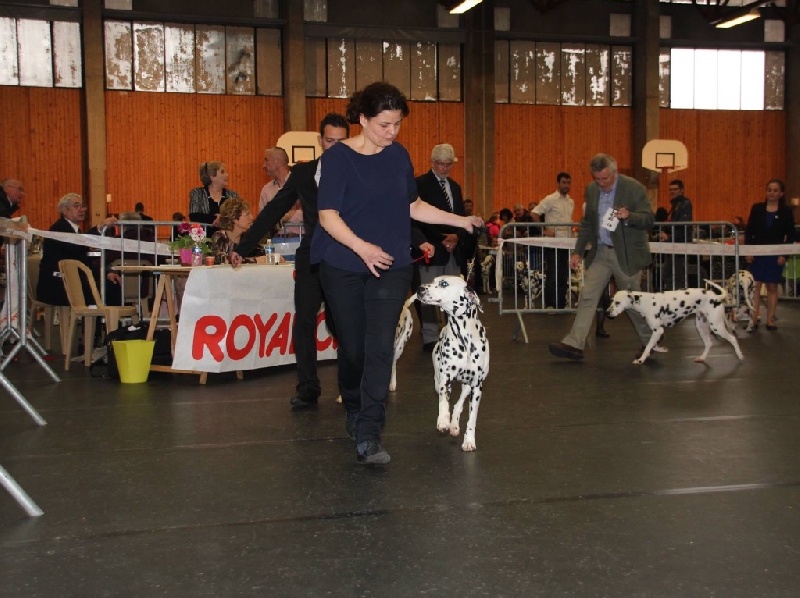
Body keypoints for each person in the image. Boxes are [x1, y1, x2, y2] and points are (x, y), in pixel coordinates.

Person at [311, 82, 482, 465]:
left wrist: (461, 220)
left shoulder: (398, 155)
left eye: (397, 124)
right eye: (384, 125)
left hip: (390, 265)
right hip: (343, 264)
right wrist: (362, 247)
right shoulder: (338, 158)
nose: (392, 132)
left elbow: (413, 206)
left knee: (380, 346)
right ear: (362, 118)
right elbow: (327, 216)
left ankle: (370, 433)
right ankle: (353, 404)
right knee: (353, 348)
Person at [232, 113, 350, 410]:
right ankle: (308, 387)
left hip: (345, 257)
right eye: (330, 140)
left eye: (341, 141)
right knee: (304, 320)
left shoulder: (357, 173)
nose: (335, 147)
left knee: (342, 323)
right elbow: (273, 210)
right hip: (311, 256)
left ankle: (351, 384)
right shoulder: (303, 173)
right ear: (320, 140)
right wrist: (244, 247)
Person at [548, 153, 657, 362]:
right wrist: (578, 251)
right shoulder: (592, 190)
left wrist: (630, 216)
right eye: (597, 179)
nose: (601, 183)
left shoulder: (633, 188)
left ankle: (651, 339)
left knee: (632, 301)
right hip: (600, 252)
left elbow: (649, 219)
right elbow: (588, 223)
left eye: (605, 178)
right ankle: (574, 343)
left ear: (615, 173)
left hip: (626, 254)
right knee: (587, 295)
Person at [412, 143, 468, 351]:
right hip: (431, 247)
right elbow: (418, 219)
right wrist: (441, 238)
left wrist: (457, 236)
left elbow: (460, 216)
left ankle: (454, 333)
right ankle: (430, 336)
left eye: (448, 164)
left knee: (453, 294)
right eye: (441, 164)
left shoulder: (455, 187)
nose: (445, 168)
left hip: (453, 249)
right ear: (432, 162)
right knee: (429, 294)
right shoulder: (420, 184)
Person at [37, 193, 120, 307]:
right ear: (64, 210)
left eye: (83, 206)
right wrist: (99, 227)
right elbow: (77, 247)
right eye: (76, 206)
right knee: (109, 289)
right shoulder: (59, 228)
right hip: (58, 284)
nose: (82, 209)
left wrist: (106, 272)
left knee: (112, 284)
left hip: (72, 280)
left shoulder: (75, 230)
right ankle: (99, 316)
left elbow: (85, 257)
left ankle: (102, 316)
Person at [744, 178, 796, 331]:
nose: (771, 193)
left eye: (775, 190)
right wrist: (748, 251)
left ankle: (770, 320)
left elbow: (791, 235)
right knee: (755, 287)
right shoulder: (757, 208)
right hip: (756, 254)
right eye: (769, 190)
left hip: (775, 255)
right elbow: (749, 231)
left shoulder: (786, 212)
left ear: (781, 193)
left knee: (772, 287)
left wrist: (784, 255)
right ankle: (753, 319)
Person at [532, 172, 575, 309]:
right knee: (553, 274)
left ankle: (560, 304)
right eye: (564, 182)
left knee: (563, 275)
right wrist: (543, 230)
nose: (566, 185)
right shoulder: (550, 199)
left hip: (566, 242)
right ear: (558, 183)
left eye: (568, 183)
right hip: (553, 243)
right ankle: (550, 304)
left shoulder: (571, 201)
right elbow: (534, 213)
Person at [211, 197, 263, 265]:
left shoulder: (248, 238)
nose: (251, 217)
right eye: (247, 214)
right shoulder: (219, 237)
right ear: (234, 218)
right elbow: (222, 260)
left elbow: (263, 255)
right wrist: (255, 260)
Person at [188, 161, 240, 226]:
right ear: (212, 176)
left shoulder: (233, 195)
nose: (227, 175)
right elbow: (194, 216)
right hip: (205, 232)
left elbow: (238, 216)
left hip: (228, 232)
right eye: (222, 172)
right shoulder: (198, 193)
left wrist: (221, 219)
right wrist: (215, 218)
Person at [258, 146, 292, 214]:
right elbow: (262, 218)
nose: (263, 166)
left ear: (277, 161)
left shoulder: (301, 184)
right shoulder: (266, 190)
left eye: (266, 160)